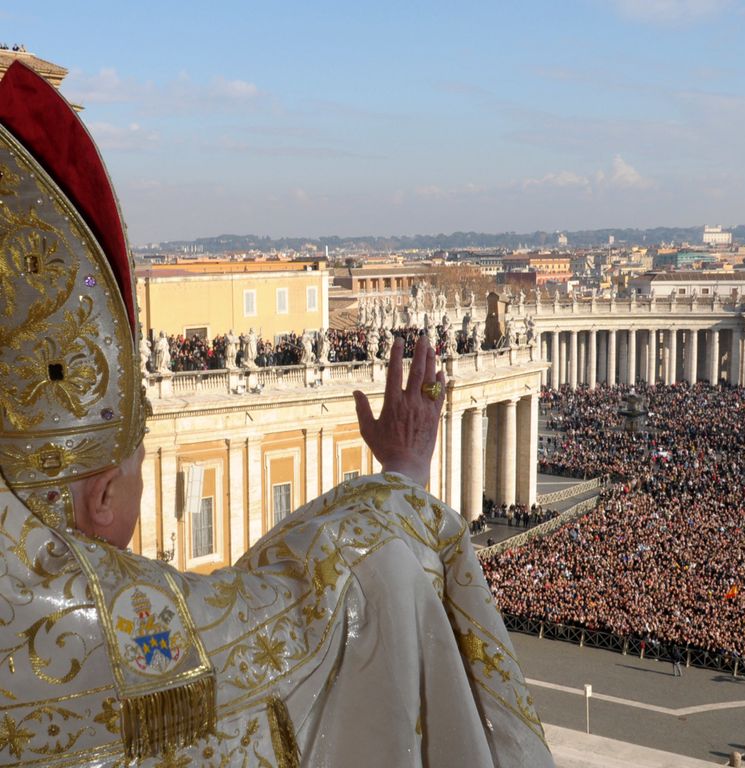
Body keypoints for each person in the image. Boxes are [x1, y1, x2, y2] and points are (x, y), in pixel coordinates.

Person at [0, 62, 552, 767]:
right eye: (134, 468)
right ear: (103, 495)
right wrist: (403, 474)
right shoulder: (117, 633)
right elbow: (317, 602)